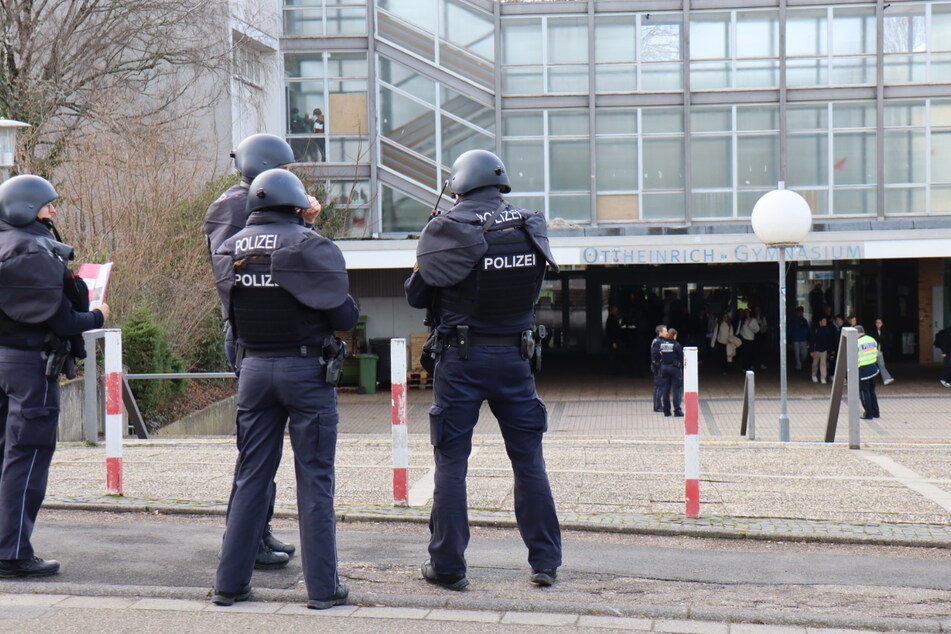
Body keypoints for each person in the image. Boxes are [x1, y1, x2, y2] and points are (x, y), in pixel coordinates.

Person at [404, 149, 561, 590]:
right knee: (529, 460)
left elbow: (416, 296)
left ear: (459, 185)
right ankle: (545, 563)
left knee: (451, 462)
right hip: (515, 359)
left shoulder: (447, 227)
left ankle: (449, 566)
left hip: (462, 360)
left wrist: (427, 247)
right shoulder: (531, 224)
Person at [210, 168, 358, 609]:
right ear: (296, 204)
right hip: (306, 372)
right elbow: (344, 317)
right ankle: (323, 589)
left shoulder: (229, 248)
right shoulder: (310, 244)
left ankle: (230, 584)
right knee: (315, 479)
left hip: (253, 370)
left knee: (251, 476)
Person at [204, 133, 319, 570]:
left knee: (261, 448)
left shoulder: (246, 202)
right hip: (253, 334)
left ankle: (257, 533)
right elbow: (260, 268)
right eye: (285, 169)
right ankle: (247, 539)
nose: (290, 177)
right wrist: (305, 225)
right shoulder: (233, 206)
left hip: (256, 333)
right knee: (256, 448)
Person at [0, 175, 110, 577]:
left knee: (5, 457)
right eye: (48, 206)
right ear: (28, 209)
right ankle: (12, 554)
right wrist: (97, 315)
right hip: (29, 366)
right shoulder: (33, 250)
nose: (54, 212)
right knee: (26, 459)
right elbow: (61, 320)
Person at [654, 328, 684, 417]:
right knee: (676, 389)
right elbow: (681, 357)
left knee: (666, 389)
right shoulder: (677, 345)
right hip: (674, 368)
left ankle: (667, 411)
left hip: (664, 368)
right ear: (674, 335)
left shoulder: (663, 344)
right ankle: (677, 410)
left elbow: (660, 355)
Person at [856, 326, 880, 420]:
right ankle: (876, 412)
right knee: (872, 391)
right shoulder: (872, 340)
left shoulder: (857, 342)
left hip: (863, 370)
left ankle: (868, 414)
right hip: (873, 368)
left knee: (864, 392)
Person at [810, 316, 836, 384]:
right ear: (820, 322)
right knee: (815, 364)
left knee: (823, 364)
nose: (825, 322)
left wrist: (830, 350)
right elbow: (812, 340)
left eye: (825, 321)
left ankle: (823, 377)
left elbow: (829, 341)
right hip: (816, 349)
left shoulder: (827, 330)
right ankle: (814, 375)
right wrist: (812, 350)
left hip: (824, 350)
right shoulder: (815, 330)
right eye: (823, 321)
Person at [650, 325, 669, 412]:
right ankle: (657, 406)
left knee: (661, 385)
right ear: (660, 332)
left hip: (661, 366)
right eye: (665, 331)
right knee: (659, 386)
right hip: (658, 367)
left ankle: (658, 405)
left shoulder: (661, 341)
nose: (667, 333)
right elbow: (656, 355)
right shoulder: (658, 342)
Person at [870, 318, 895, 385]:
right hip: (873, 351)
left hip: (880, 351)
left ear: (882, 323)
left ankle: (886, 378)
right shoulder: (872, 332)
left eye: (879, 322)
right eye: (877, 323)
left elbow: (888, 341)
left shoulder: (885, 332)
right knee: (873, 365)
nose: (878, 324)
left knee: (881, 365)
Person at [788, 307, 810, 371]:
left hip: (803, 339)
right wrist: (790, 341)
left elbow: (808, 330)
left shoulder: (804, 320)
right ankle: (798, 365)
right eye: (799, 312)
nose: (800, 313)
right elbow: (790, 331)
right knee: (797, 353)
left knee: (805, 353)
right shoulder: (793, 320)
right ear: (796, 313)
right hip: (795, 339)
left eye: (801, 312)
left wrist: (808, 339)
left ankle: (800, 362)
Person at [604, 306, 624, 375]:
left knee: (615, 356)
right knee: (614, 356)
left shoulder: (612, 319)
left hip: (614, 340)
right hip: (614, 340)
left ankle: (616, 370)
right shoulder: (612, 320)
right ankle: (615, 371)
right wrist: (614, 341)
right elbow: (612, 332)